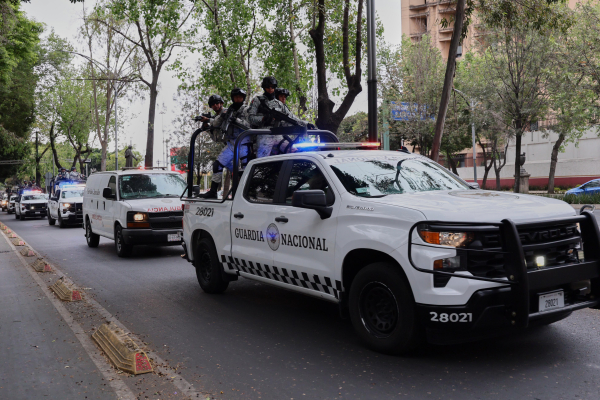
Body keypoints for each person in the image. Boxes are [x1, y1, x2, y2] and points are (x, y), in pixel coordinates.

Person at [198, 88, 252, 199]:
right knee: (217, 165)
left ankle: (247, 194)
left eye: (240, 97)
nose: (238, 99)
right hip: (232, 143)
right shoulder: (230, 110)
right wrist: (208, 122)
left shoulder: (247, 110)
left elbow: (250, 125)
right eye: (235, 97)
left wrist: (236, 120)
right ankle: (213, 192)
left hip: (244, 143)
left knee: (246, 170)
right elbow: (217, 123)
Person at [247, 77, 313, 158]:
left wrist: (306, 124)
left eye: (272, 87)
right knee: (262, 162)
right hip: (264, 134)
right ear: (264, 87)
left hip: (278, 134)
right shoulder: (257, 100)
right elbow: (250, 118)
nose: (270, 89)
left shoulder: (279, 103)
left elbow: (291, 117)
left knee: (294, 152)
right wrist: (264, 118)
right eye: (268, 86)